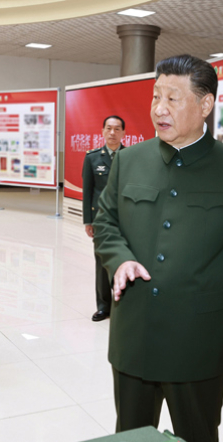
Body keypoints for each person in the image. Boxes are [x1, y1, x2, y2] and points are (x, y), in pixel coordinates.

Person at [93, 54, 223, 442]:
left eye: (173, 99)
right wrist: (119, 259)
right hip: (134, 336)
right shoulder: (129, 161)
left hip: (198, 343)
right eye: (156, 96)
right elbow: (106, 222)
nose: (159, 109)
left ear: (205, 104)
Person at [82, 115, 126, 322]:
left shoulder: (131, 156)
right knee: (101, 263)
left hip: (126, 218)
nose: (112, 133)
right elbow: (88, 191)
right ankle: (103, 306)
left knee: (124, 260)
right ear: (102, 131)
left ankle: (122, 305)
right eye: (109, 128)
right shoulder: (92, 158)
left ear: (123, 133)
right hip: (101, 219)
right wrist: (88, 220)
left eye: (117, 129)